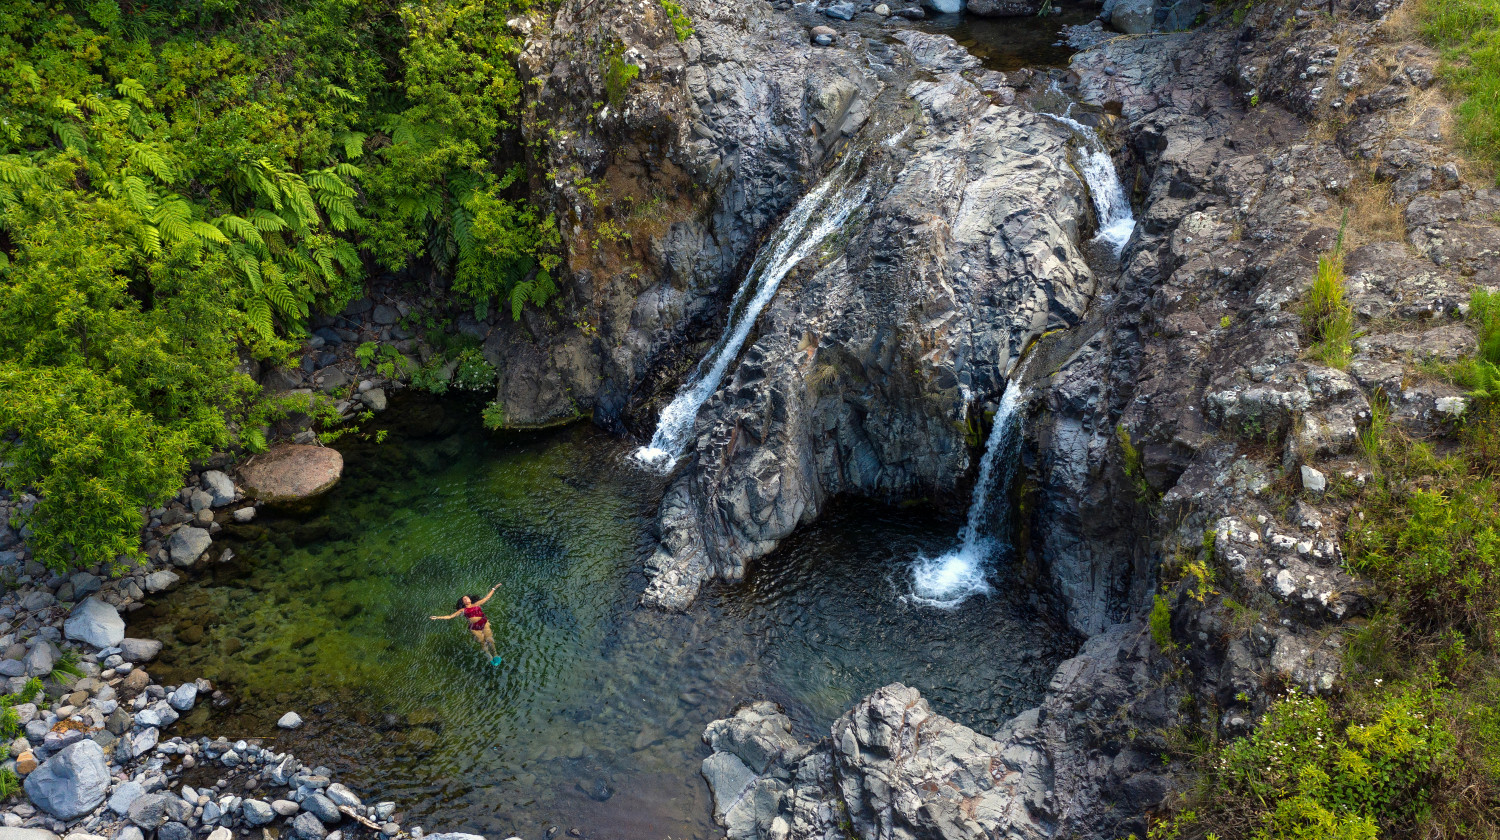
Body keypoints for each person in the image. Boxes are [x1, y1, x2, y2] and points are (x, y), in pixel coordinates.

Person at [430, 583, 503, 665]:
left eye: (467, 598)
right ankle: (490, 656)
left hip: (484, 622)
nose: (466, 599)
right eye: (464, 599)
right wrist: (437, 617)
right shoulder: (462, 610)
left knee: (490, 639)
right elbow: (450, 616)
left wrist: (494, 588)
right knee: (482, 642)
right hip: (474, 627)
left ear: (470, 599)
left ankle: (495, 654)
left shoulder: (477, 604)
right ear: (463, 602)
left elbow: (487, 597)